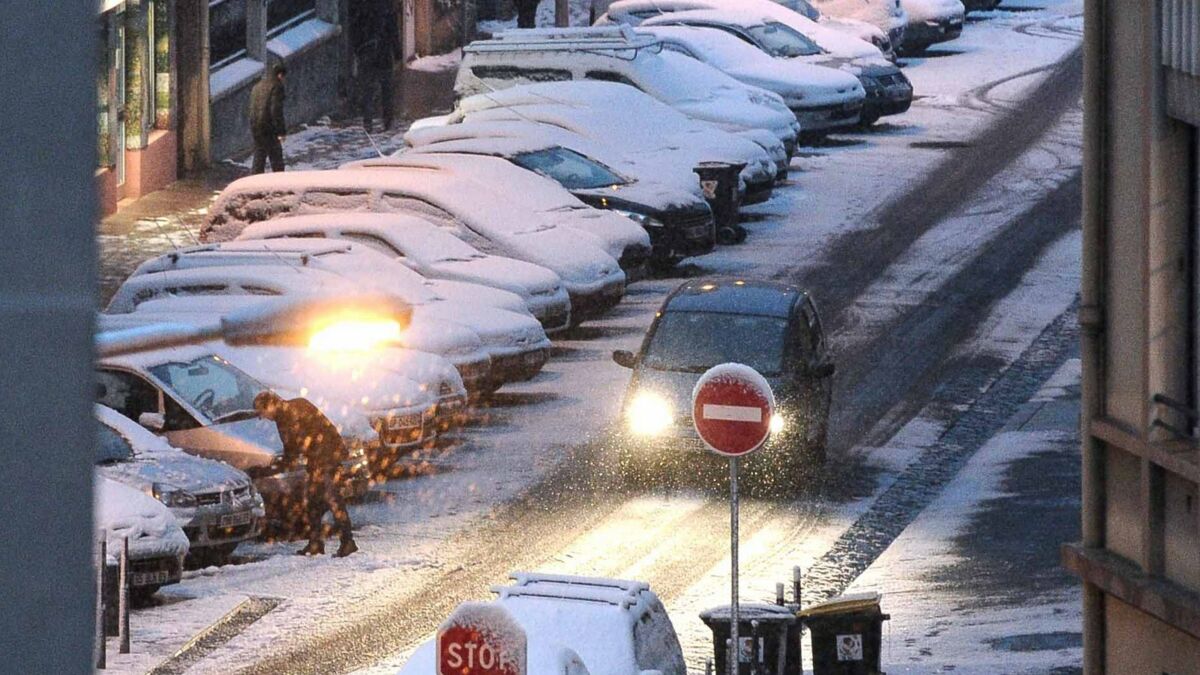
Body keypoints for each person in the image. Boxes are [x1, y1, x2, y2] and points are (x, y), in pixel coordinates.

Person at [254, 391, 358, 557]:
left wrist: (267, 470)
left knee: (332, 500)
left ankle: (346, 542)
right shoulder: (298, 403)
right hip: (327, 455)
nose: (264, 417)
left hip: (323, 459)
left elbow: (292, 453)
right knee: (315, 502)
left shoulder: (285, 419)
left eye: (262, 413)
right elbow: (325, 426)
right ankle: (318, 543)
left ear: (270, 405)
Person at [350, 0, 402, 132]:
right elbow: (393, 30)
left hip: (366, 51)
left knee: (368, 88)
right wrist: (397, 52)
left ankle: (367, 121)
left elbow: (354, 27)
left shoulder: (360, 5)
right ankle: (387, 120)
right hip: (383, 51)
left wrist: (357, 49)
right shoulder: (387, 6)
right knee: (387, 87)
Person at [249, 63, 287, 174]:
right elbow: (276, 110)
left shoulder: (257, 86)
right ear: (280, 75)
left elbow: (252, 108)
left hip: (256, 126)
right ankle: (280, 184)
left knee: (259, 157)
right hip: (269, 127)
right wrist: (281, 131)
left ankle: (254, 184)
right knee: (276, 159)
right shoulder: (276, 86)